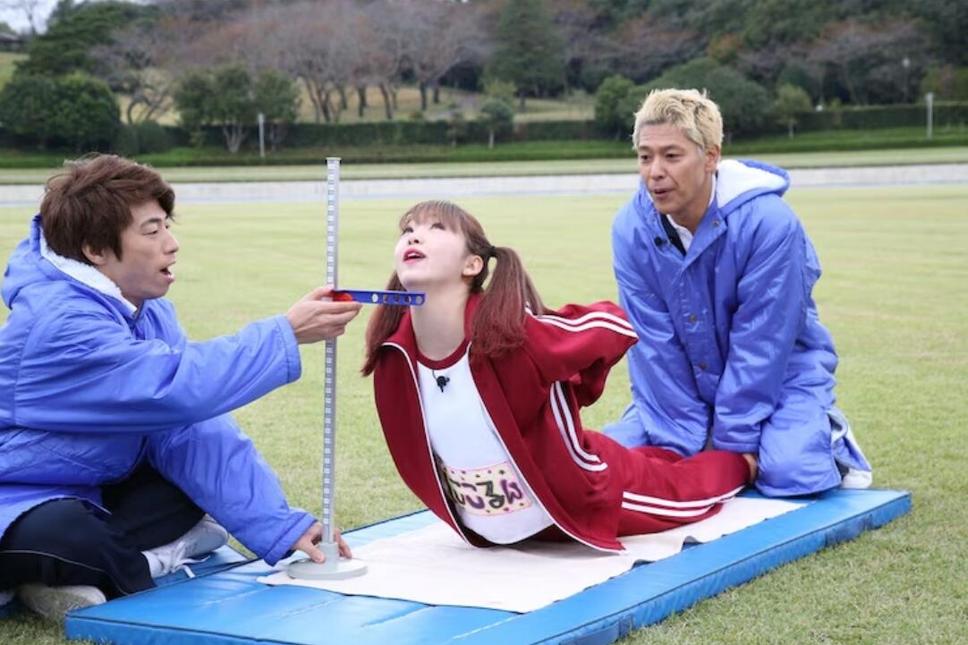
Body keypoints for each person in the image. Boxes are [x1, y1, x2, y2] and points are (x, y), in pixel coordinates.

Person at [0, 155, 362, 619]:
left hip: (93, 487)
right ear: (95, 250)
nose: (172, 244)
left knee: (189, 494)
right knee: (67, 533)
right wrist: (285, 333)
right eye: (152, 231)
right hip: (19, 494)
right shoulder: (61, 323)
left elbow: (187, 427)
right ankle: (111, 570)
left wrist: (278, 525)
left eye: (166, 226)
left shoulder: (143, 308)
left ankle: (62, 578)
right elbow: (174, 387)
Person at [361, 200, 756, 552]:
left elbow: (612, 326)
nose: (415, 236)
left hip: (580, 498)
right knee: (655, 461)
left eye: (436, 228)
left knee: (686, 492)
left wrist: (573, 387)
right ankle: (666, 451)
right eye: (408, 229)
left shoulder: (510, 335)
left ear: (472, 264)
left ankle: (743, 462)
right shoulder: (394, 355)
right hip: (501, 529)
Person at [604, 88, 873, 497]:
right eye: (645, 157)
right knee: (620, 462)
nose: (654, 172)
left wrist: (732, 444)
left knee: (791, 472)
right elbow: (654, 346)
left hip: (781, 375)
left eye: (671, 156)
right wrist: (677, 442)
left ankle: (831, 435)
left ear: (710, 157)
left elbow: (762, 343)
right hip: (690, 384)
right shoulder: (631, 230)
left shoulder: (770, 224)